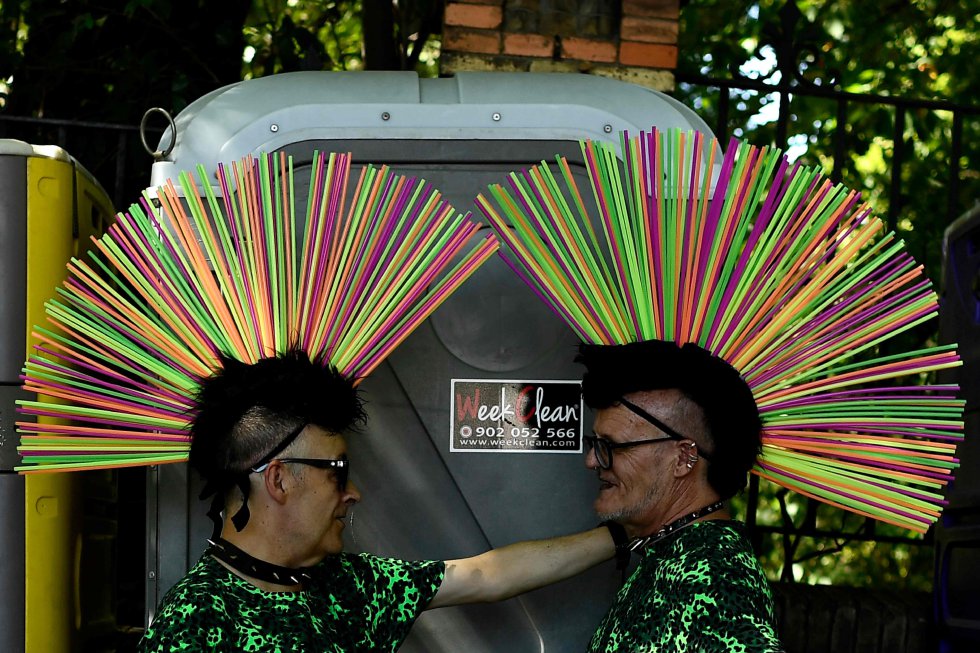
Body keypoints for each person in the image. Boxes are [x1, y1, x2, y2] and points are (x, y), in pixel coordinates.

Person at [137, 349, 616, 653]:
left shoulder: (348, 585)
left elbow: (484, 575)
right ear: (279, 480)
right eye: (338, 472)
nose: (354, 494)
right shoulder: (194, 627)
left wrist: (621, 534)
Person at [576, 339, 783, 652]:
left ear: (684, 458)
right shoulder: (676, 553)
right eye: (596, 444)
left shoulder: (715, 576)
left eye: (613, 447)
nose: (592, 460)